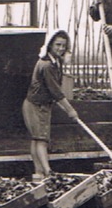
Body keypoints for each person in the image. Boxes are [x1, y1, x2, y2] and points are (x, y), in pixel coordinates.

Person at [22, 30, 80, 182]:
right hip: (36, 105)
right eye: (57, 45)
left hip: (37, 105)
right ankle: (48, 173)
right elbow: (56, 92)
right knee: (41, 140)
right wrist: (71, 110)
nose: (61, 48)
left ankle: (38, 174)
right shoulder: (47, 65)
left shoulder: (55, 62)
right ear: (50, 45)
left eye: (64, 46)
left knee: (36, 139)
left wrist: (66, 59)